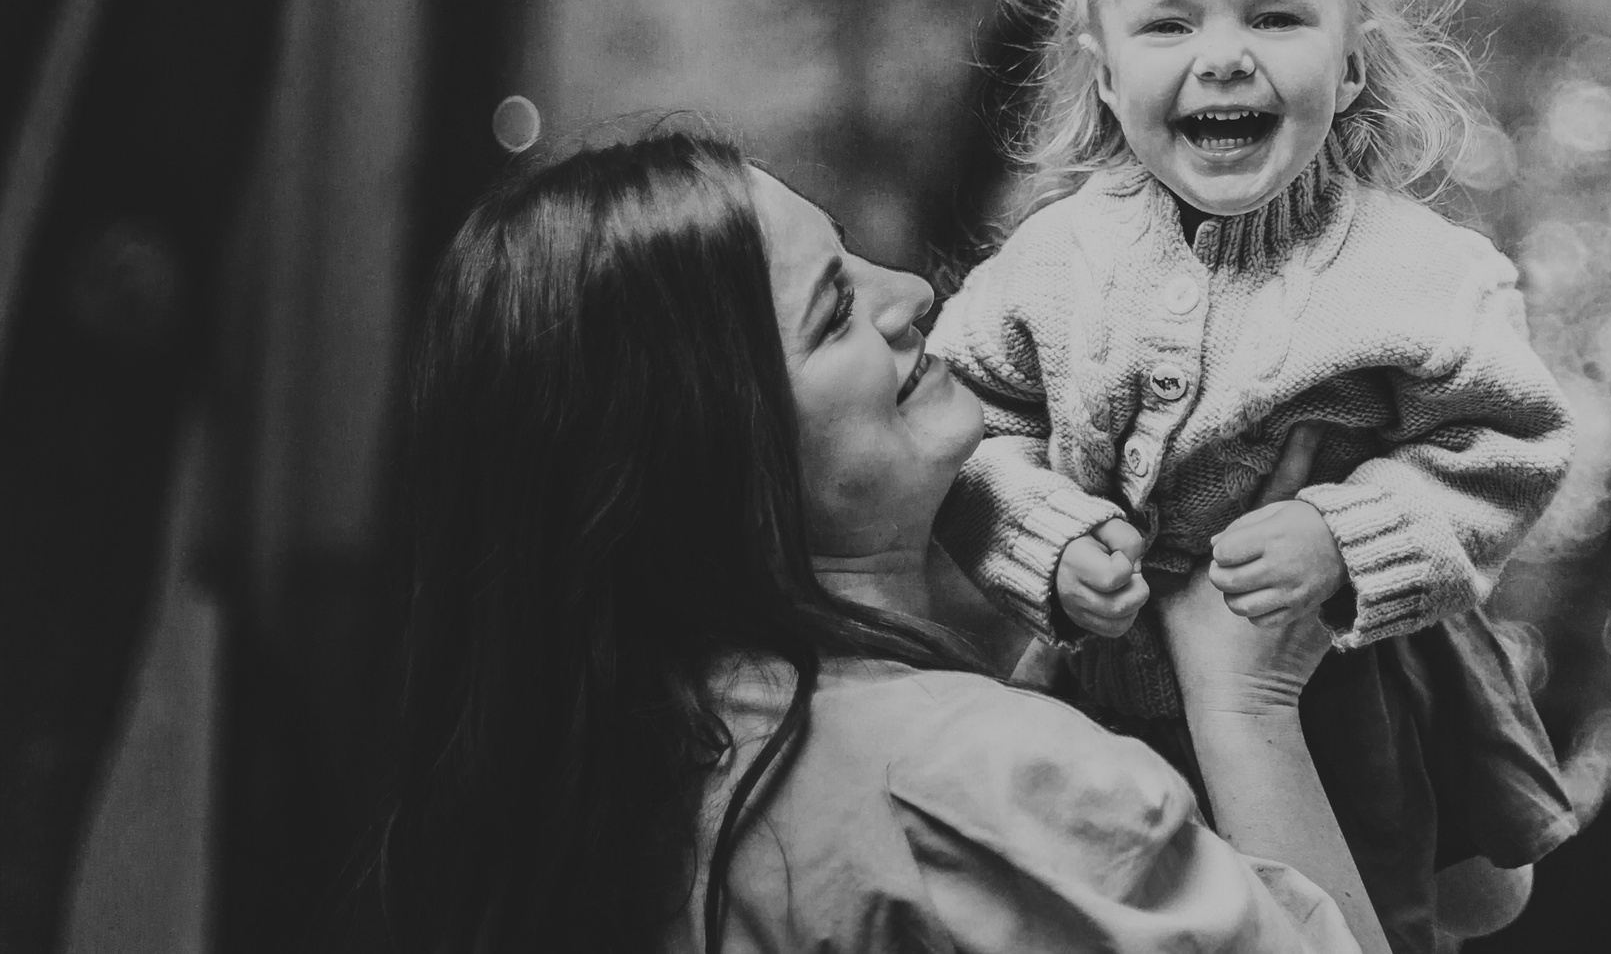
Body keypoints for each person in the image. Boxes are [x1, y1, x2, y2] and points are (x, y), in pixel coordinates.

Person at [380, 130, 1389, 954]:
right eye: (832, 314)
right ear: (708, 454)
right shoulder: (975, 786)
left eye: (852, 253)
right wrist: (1245, 700)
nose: (907, 291)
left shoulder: (610, 792)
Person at [927, 0, 1578, 951]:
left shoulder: (1419, 273)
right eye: (1170, 22)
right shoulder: (1050, 262)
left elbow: (1502, 447)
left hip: (1347, 687)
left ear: (1352, 58)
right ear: (1106, 68)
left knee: (1350, 921)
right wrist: (1044, 539)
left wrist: (1345, 537)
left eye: (1274, 17)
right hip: (1104, 682)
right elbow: (966, 423)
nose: (1223, 54)